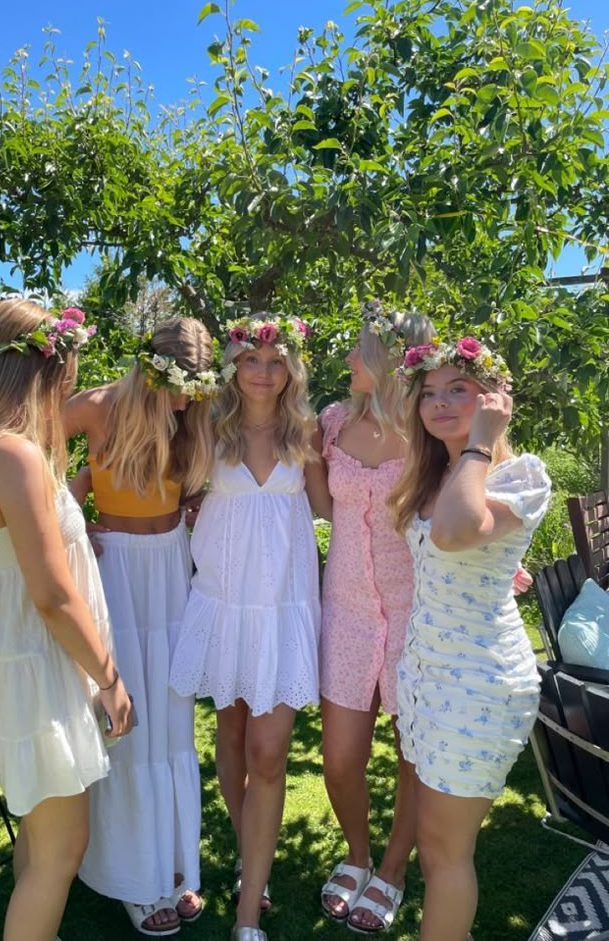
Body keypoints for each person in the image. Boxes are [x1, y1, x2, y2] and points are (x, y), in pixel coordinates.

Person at [0, 299, 133, 941]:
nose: (76, 374)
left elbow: (26, 550)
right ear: (49, 366)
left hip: (12, 650)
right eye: (71, 361)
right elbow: (51, 594)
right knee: (60, 852)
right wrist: (107, 676)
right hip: (36, 659)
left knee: (39, 831)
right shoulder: (15, 453)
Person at [388, 336, 551, 941]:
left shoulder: (520, 473)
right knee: (433, 844)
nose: (440, 403)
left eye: (459, 388)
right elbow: (447, 554)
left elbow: (455, 535)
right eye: (429, 393)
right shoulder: (434, 478)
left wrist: (481, 439)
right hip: (428, 674)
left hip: (481, 684)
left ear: (493, 399)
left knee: (445, 850)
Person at [170, 314, 321, 941]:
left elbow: (343, 506)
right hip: (223, 600)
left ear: (291, 370)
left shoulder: (307, 431)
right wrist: (100, 522)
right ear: (234, 364)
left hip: (282, 608)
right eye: (252, 359)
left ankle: (247, 911)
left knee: (269, 751)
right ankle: (247, 854)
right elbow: (163, 484)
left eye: (276, 361)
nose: (263, 371)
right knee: (230, 734)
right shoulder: (208, 423)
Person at [67, 317, 217, 937]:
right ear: (153, 369)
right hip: (118, 574)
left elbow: (196, 492)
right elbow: (28, 457)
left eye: (198, 384)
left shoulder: (192, 419)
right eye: (182, 383)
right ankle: (132, 875)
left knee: (172, 719)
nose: (189, 397)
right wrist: (71, 522)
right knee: (127, 723)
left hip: (171, 571)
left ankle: (174, 864)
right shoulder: (99, 405)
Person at [307, 302, 434, 934]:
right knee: (339, 758)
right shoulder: (331, 424)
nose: (350, 359)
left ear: (388, 359)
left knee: (413, 753)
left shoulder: (430, 431)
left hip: (415, 614)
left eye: (361, 350)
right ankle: (356, 854)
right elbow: (320, 503)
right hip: (349, 612)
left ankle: (391, 868)